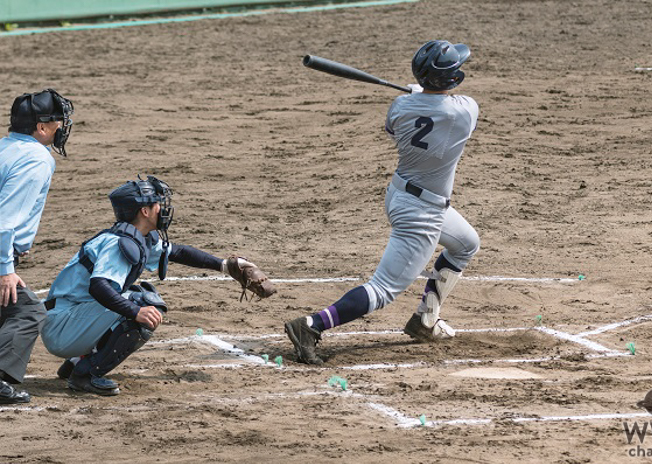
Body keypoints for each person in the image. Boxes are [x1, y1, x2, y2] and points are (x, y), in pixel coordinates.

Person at [285, 40, 480, 364]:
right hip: (422, 214)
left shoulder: (400, 107)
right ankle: (310, 326)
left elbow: (398, 128)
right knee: (384, 289)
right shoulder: (464, 111)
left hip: (400, 194)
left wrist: (419, 97)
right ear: (450, 80)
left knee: (467, 243)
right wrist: (427, 95)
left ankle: (425, 320)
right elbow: (448, 107)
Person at [41, 175, 276, 396]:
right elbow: (99, 287)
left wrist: (225, 265)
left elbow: (178, 252)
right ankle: (85, 374)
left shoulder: (137, 237)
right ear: (144, 211)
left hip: (69, 319)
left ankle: (76, 362)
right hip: (63, 327)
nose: (162, 209)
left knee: (136, 298)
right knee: (142, 304)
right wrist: (136, 312)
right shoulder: (118, 245)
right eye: (157, 204)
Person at [0, 89, 74, 403]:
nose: (62, 126)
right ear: (41, 128)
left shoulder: (5, 147)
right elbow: (3, 222)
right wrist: (5, 270)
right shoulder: (35, 159)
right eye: (57, 121)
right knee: (28, 310)